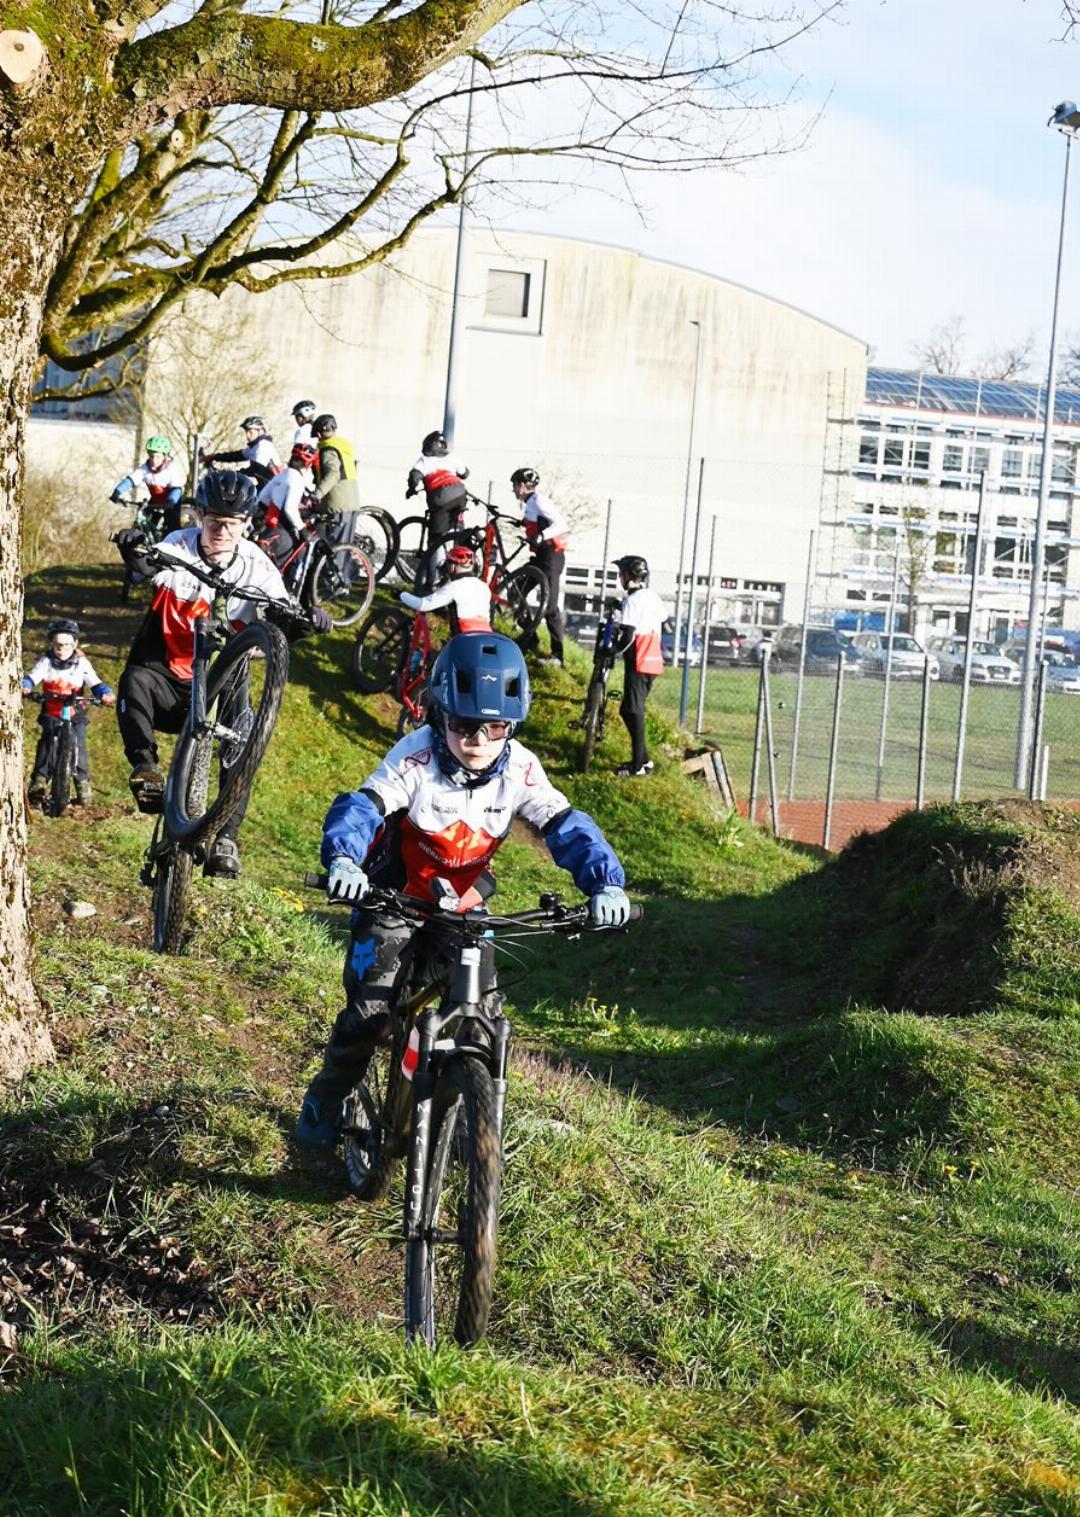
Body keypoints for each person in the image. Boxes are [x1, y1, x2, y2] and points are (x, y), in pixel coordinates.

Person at [297, 632, 630, 1146]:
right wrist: (344, 857)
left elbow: (565, 825)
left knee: (484, 1020)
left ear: (512, 727)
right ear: (440, 716)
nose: (478, 741)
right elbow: (362, 807)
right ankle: (325, 1097)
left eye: (495, 727)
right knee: (369, 1015)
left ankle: (470, 1125)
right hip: (394, 897)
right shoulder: (414, 758)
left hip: (462, 903)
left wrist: (605, 882)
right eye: (463, 725)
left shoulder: (520, 768)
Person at [114, 469, 331, 878]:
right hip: (167, 678)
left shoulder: (257, 566)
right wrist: (132, 549)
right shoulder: (178, 546)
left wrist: (306, 624)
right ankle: (145, 769)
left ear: (246, 523)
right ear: (199, 516)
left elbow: (281, 617)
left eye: (232, 524)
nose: (222, 532)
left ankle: (227, 838)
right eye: (214, 522)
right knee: (133, 681)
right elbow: (146, 563)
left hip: (222, 680)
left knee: (243, 738)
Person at [22, 619, 115, 807]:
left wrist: (104, 694)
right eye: (57, 645)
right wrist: (26, 686)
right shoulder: (46, 662)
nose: (61, 650)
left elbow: (95, 683)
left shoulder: (81, 663)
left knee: (79, 746)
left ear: (75, 644)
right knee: (47, 744)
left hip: (75, 712)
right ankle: (39, 782)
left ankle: (83, 786)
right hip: (52, 710)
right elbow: (32, 678)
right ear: (51, 644)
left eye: (66, 645)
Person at [612, 554, 664, 777]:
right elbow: (660, 618)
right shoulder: (651, 596)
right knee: (629, 709)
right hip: (653, 657)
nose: (619, 578)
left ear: (628, 575)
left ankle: (638, 766)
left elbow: (628, 635)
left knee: (633, 710)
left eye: (621, 573)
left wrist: (613, 651)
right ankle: (643, 760)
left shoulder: (632, 601)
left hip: (638, 657)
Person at [510, 467, 567, 666]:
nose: (513, 489)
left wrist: (542, 535)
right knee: (516, 593)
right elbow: (536, 521)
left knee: (550, 607)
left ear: (522, 486)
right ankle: (530, 639)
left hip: (552, 557)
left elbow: (561, 524)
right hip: (540, 557)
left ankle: (557, 656)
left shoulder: (539, 500)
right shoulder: (529, 503)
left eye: (514, 485)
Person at [407, 430, 470, 593]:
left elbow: (414, 476)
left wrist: (411, 489)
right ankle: (460, 568)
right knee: (457, 534)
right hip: (460, 494)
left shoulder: (424, 460)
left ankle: (431, 583)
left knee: (434, 542)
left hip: (440, 498)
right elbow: (465, 473)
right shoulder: (452, 457)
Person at [255, 441, 318, 575]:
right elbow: (290, 509)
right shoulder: (297, 479)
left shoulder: (282, 474)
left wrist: (275, 508)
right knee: (297, 555)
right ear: (307, 464)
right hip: (280, 528)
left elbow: (263, 497)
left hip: (267, 524)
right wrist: (302, 529)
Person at [399, 544, 493, 635]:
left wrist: (401, 595)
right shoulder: (484, 587)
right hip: (488, 637)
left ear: (452, 567)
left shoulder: (454, 587)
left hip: (464, 639)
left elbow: (423, 605)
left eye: (447, 564)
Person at [111, 437, 186, 533]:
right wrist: (117, 492)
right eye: (151, 456)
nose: (154, 460)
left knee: (171, 526)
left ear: (164, 456)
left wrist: (171, 501)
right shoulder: (145, 468)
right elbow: (131, 480)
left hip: (172, 502)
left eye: (158, 457)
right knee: (145, 520)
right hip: (155, 501)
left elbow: (177, 489)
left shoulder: (171, 468)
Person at [202, 417, 281, 486]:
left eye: (250, 432)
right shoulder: (254, 447)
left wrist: (230, 474)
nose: (247, 435)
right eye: (246, 432)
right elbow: (235, 456)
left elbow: (255, 470)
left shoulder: (263, 446)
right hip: (265, 484)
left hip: (273, 487)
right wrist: (214, 457)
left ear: (260, 432)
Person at [311, 413, 359, 520]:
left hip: (338, 505)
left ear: (319, 434)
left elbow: (333, 474)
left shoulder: (328, 450)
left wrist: (317, 494)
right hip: (351, 501)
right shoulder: (342, 447)